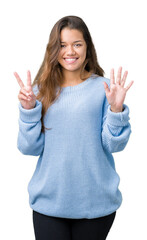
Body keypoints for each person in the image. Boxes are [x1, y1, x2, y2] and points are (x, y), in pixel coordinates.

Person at [14, 15, 134, 240]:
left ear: (87, 47)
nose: (70, 51)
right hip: (49, 204)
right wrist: (29, 109)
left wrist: (116, 110)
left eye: (77, 44)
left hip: (96, 203)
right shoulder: (39, 91)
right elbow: (29, 148)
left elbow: (114, 145)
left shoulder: (105, 88)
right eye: (62, 45)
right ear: (53, 50)